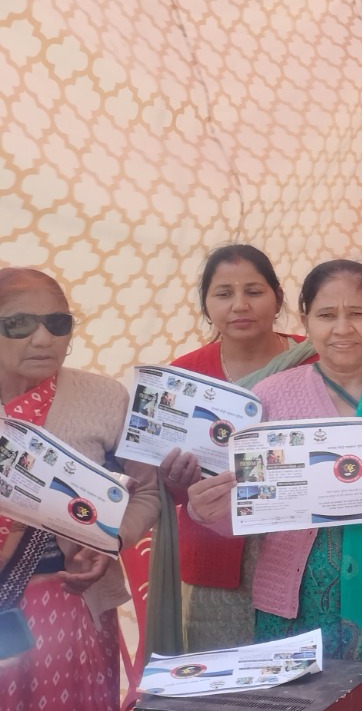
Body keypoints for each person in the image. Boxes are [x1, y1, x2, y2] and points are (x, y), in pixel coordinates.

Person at [186, 260, 362, 663]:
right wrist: (209, 511)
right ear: (305, 320)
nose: (342, 329)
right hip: (294, 601)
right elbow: (248, 506)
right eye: (326, 315)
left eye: (357, 314)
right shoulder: (270, 397)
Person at [0, 268, 161, 709]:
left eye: (58, 323)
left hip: (74, 606)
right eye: (19, 323)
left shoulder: (103, 398)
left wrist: (110, 539)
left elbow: (148, 492)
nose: (42, 338)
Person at [161, 245, 316, 653]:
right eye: (224, 293)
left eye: (254, 291)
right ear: (206, 305)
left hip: (301, 551)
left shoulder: (316, 361)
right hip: (216, 556)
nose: (240, 305)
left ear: (277, 297)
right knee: (220, 671)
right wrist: (175, 481)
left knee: (300, 672)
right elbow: (166, 490)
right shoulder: (183, 378)